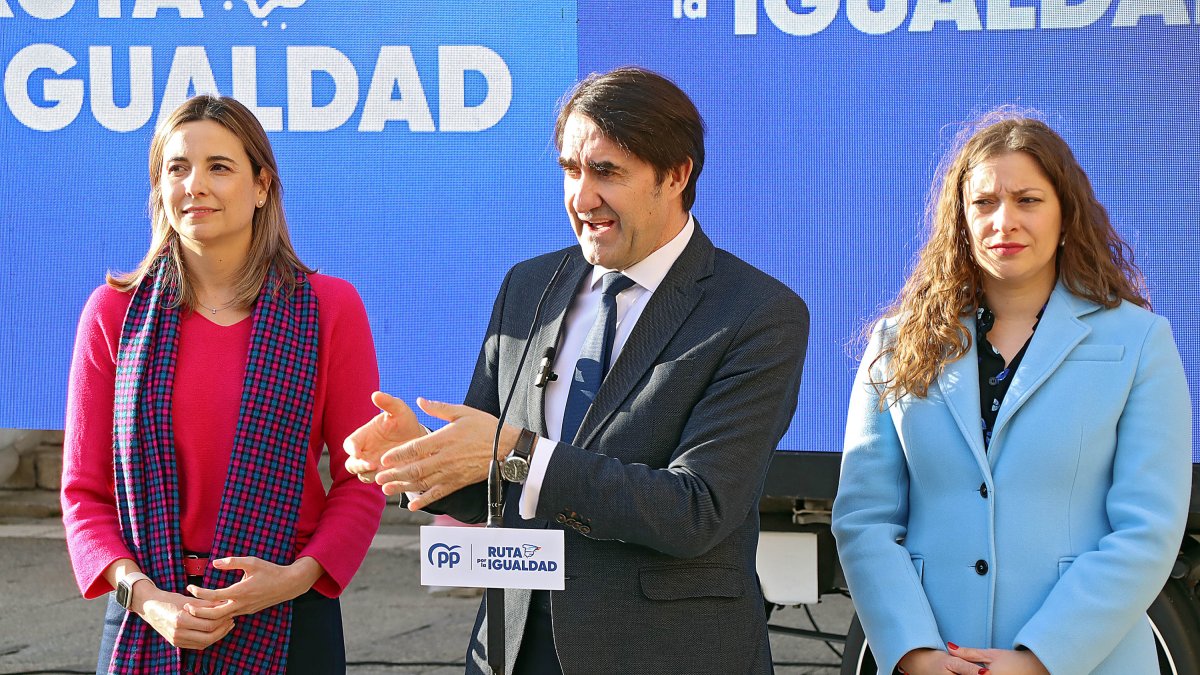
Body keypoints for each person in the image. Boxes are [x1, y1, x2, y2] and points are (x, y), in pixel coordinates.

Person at [345, 67, 809, 674]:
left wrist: (516, 451)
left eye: (606, 172)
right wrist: (420, 461)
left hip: (669, 655)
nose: (582, 197)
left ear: (676, 174)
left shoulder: (756, 313)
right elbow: (493, 487)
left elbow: (695, 511)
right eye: (570, 169)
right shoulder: (529, 286)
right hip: (515, 648)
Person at [831, 111, 1191, 675]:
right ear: (960, 219)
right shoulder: (896, 341)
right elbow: (864, 517)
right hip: (936, 662)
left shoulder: (1139, 341)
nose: (1005, 221)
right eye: (984, 203)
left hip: (1087, 661)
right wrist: (913, 651)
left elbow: (1148, 527)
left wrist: (1040, 659)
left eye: (1028, 200)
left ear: (1065, 213)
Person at [60, 94, 386, 674]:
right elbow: (84, 495)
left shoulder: (330, 308)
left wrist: (293, 579)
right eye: (177, 168)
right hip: (145, 612)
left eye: (219, 167)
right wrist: (149, 598)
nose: (195, 186)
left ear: (262, 185)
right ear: (159, 187)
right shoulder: (113, 312)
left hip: (288, 612)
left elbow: (359, 482)